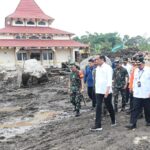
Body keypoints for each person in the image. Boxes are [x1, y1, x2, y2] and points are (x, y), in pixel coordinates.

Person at [91, 55, 115, 131]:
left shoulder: (108, 68)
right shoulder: (97, 68)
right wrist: (96, 90)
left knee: (109, 105)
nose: (95, 61)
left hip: (106, 91)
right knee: (98, 107)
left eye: (96, 59)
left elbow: (109, 80)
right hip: (99, 91)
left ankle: (113, 120)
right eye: (94, 60)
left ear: (102, 59)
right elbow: (97, 80)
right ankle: (98, 125)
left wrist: (107, 91)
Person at [126, 57, 150, 130]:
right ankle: (132, 123)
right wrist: (133, 88)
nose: (138, 66)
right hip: (137, 94)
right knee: (135, 108)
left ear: (143, 63)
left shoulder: (148, 70)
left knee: (147, 109)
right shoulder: (136, 70)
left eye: (139, 64)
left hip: (146, 93)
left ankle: (148, 121)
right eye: (137, 64)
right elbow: (134, 80)